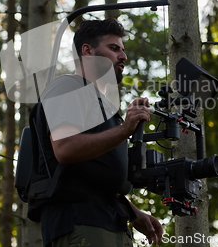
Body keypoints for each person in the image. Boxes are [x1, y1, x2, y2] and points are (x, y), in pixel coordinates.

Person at [38, 18, 164, 247]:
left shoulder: (105, 107)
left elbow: (96, 175)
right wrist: (126, 129)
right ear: (87, 51)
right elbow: (65, 149)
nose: (123, 56)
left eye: (122, 50)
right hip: (79, 220)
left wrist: (133, 212)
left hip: (111, 220)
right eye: (114, 48)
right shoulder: (67, 87)